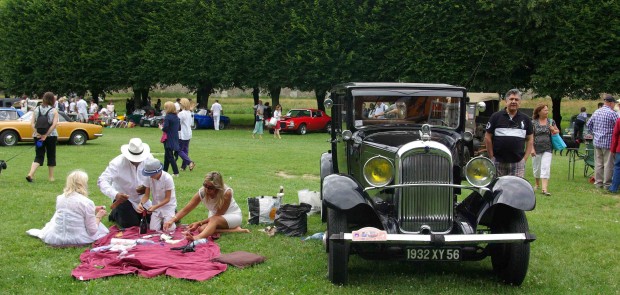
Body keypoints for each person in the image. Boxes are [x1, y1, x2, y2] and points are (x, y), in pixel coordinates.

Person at [26, 170, 109, 246]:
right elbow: (92, 231)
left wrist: (92, 209)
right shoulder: (87, 202)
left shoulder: (60, 198)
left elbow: (71, 211)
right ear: (82, 184)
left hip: (57, 238)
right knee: (100, 227)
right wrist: (98, 216)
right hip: (78, 239)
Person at [163, 171, 249, 239]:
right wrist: (172, 220)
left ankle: (196, 238)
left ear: (217, 187)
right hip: (215, 216)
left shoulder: (227, 192)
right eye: (205, 185)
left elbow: (219, 214)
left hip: (231, 215)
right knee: (202, 229)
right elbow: (186, 209)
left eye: (210, 187)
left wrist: (199, 222)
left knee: (210, 223)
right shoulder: (202, 192)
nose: (207, 189)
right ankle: (235, 230)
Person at [98, 138, 154, 228]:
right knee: (131, 224)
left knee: (152, 220)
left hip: (142, 198)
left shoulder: (149, 159)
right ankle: (115, 213)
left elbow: (155, 177)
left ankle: (128, 213)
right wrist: (116, 194)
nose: (137, 161)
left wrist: (148, 187)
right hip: (123, 200)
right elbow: (102, 181)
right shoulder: (117, 163)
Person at [484, 89, 533, 178]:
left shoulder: (525, 119)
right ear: (506, 101)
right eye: (511, 99)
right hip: (498, 162)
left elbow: (530, 139)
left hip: (517, 163)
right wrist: (492, 157)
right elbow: (487, 137)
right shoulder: (496, 117)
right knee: (497, 189)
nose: (513, 102)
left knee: (515, 190)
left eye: (516, 99)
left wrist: (524, 159)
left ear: (520, 102)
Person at [586, 95, 619, 189]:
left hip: (597, 142)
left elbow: (588, 124)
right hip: (608, 142)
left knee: (598, 163)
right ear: (610, 103)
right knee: (608, 164)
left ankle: (598, 182)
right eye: (613, 103)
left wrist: (595, 133)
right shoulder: (612, 113)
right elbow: (617, 127)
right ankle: (607, 184)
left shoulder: (596, 112)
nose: (614, 105)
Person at [26, 92, 59, 183]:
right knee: (51, 155)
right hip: (51, 136)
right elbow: (54, 125)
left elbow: (32, 123)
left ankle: (30, 174)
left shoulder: (36, 109)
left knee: (39, 155)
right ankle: (51, 177)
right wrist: (46, 135)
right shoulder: (54, 110)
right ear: (52, 99)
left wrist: (38, 133)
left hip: (38, 136)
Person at [138, 159, 177, 231]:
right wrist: (141, 203)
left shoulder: (167, 178)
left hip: (168, 206)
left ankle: (171, 217)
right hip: (156, 206)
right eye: (148, 174)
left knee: (169, 229)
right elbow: (146, 195)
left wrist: (155, 207)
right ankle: (164, 220)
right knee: (153, 229)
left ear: (158, 172)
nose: (150, 176)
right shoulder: (149, 178)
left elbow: (168, 199)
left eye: (151, 174)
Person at [531, 103, 558, 196]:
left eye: (547, 110)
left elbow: (557, 131)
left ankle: (544, 189)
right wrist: (532, 149)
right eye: (545, 110)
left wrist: (553, 130)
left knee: (545, 167)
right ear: (539, 112)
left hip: (548, 148)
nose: (547, 112)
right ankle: (537, 183)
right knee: (537, 168)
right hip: (536, 148)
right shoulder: (533, 122)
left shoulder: (551, 121)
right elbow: (531, 137)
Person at [161, 101, 180, 176]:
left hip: (168, 138)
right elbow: (179, 128)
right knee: (167, 155)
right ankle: (164, 171)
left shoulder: (168, 117)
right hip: (175, 137)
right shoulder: (176, 117)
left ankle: (176, 172)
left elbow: (165, 128)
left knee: (170, 156)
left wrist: (161, 127)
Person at [178, 98, 195, 171]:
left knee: (179, 150)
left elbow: (178, 123)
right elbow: (192, 123)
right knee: (185, 150)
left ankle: (189, 162)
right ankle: (183, 166)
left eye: (180, 104)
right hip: (188, 132)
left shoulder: (181, 113)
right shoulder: (190, 113)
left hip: (182, 133)